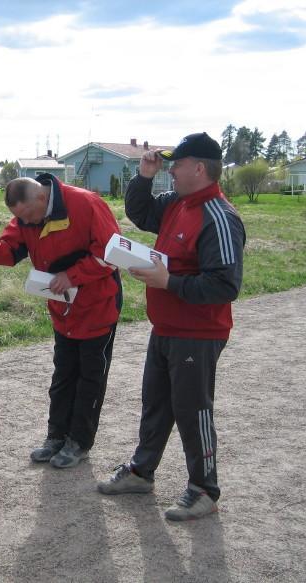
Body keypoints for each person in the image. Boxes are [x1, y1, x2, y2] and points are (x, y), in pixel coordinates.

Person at [96, 132, 246, 521]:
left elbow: (225, 284)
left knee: (193, 409)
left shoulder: (219, 216)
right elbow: (142, 212)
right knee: (156, 403)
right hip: (165, 326)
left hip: (198, 332)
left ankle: (204, 489)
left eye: (176, 164)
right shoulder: (179, 202)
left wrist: (169, 283)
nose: (171, 170)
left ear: (199, 168)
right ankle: (142, 471)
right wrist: (144, 177)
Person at [0, 174, 122, 469]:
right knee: (63, 376)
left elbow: (111, 254)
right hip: (63, 311)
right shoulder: (27, 215)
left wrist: (71, 276)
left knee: (90, 380)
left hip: (97, 308)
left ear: (41, 197)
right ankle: (56, 436)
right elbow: (11, 248)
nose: (24, 222)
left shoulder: (87, 204)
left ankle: (79, 442)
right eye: (19, 218)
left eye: (26, 215)